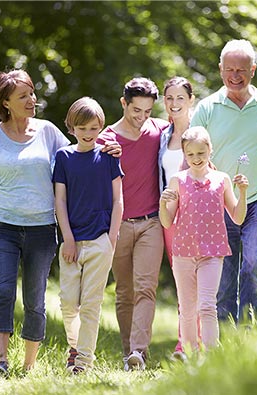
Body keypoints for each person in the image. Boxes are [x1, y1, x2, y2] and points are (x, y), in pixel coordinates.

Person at [0, 70, 120, 375]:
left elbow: (84, 139)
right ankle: (2, 360)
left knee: (35, 298)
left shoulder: (48, 132)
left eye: (32, 93)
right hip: (1, 225)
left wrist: (111, 146)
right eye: (24, 96)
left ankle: (28, 365)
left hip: (42, 229)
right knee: (3, 290)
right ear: (6, 103)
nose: (32, 100)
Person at [190, 39, 257, 323]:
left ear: (253, 70)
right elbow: (192, 159)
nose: (235, 76)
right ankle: (225, 341)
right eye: (229, 69)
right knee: (224, 278)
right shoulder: (206, 109)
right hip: (220, 202)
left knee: (253, 264)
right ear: (220, 69)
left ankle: (252, 333)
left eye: (241, 70)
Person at [97, 77, 169, 371]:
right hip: (119, 226)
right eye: (136, 110)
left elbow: (187, 136)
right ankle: (129, 354)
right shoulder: (106, 139)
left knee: (145, 288)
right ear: (123, 103)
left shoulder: (159, 131)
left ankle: (139, 351)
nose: (142, 118)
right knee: (125, 292)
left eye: (148, 111)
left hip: (152, 223)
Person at [159, 126, 248, 353]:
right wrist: (162, 203)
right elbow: (167, 222)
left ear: (210, 151)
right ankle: (190, 354)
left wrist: (243, 192)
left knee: (207, 305)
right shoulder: (178, 180)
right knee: (187, 309)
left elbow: (237, 218)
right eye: (191, 154)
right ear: (184, 155)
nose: (196, 159)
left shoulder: (222, 179)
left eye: (201, 153)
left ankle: (211, 356)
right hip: (183, 254)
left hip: (212, 253)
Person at [53, 97, 124, 374]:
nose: (88, 133)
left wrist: (112, 238)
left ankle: (83, 362)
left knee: (91, 305)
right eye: (82, 127)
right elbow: (60, 201)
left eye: (94, 128)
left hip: (100, 241)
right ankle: (75, 346)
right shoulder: (64, 157)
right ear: (72, 127)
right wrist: (68, 238)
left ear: (100, 127)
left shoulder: (108, 157)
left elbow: (119, 200)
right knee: (69, 303)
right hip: (71, 241)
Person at [158, 76, 195, 359]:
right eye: (169, 98)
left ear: (190, 100)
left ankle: (188, 344)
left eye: (180, 98)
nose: (174, 104)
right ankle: (187, 343)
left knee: (197, 280)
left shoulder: (199, 134)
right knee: (181, 280)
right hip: (170, 216)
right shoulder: (162, 135)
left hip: (196, 216)